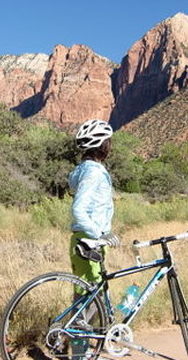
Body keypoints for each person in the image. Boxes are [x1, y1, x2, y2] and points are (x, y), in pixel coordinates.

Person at [68, 119, 119, 359]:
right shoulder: (93, 172)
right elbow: (79, 209)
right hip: (89, 241)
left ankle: (85, 349)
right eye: (109, 141)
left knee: (89, 296)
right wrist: (99, 235)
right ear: (102, 145)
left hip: (85, 239)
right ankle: (79, 354)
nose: (111, 145)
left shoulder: (85, 170)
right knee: (88, 301)